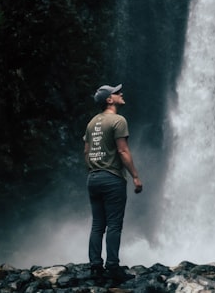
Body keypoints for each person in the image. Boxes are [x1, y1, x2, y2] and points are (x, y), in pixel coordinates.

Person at [84, 83, 143, 282]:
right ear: (109, 100)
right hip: (112, 178)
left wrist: (94, 169)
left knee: (97, 225)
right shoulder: (118, 120)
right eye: (117, 93)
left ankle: (95, 266)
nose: (121, 94)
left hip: (93, 178)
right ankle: (113, 267)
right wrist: (135, 175)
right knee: (114, 225)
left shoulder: (92, 123)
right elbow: (123, 151)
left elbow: (86, 152)